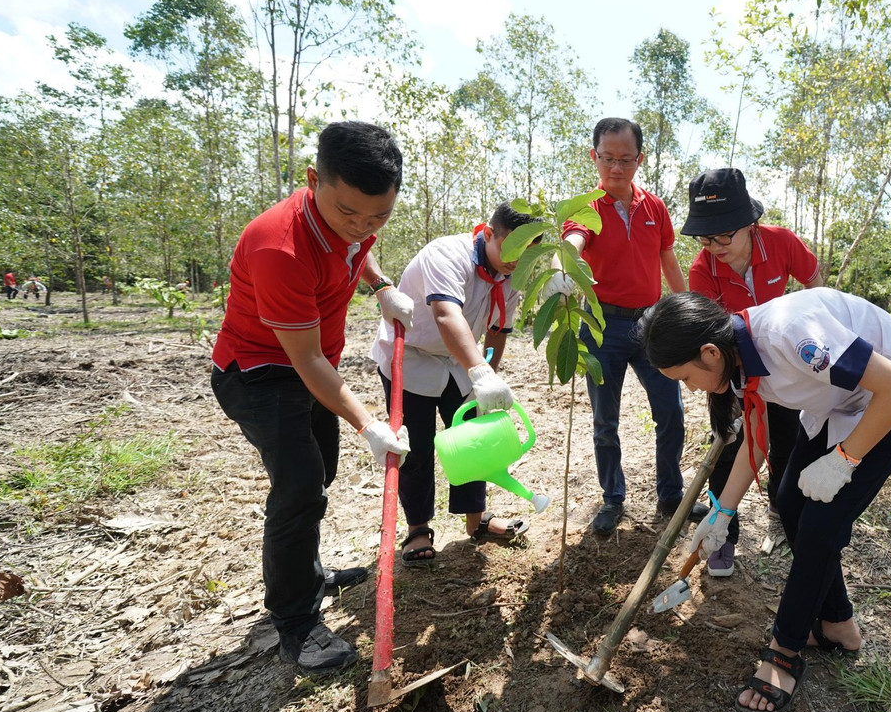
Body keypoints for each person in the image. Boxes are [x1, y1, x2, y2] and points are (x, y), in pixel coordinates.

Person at [640, 289, 891, 712]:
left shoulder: (792, 336)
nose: (690, 389)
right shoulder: (738, 358)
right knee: (789, 500)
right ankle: (838, 624)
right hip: (841, 401)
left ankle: (784, 649)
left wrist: (844, 460)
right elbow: (755, 436)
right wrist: (722, 513)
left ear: (709, 353)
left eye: (685, 379)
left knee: (822, 525)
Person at [211, 121, 413, 673]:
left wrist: (382, 286)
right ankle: (295, 623)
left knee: (320, 472)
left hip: (309, 369)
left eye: (378, 217)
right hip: (258, 373)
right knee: (299, 488)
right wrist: (369, 422)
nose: (362, 226)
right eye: (349, 213)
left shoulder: (355, 221)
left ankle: (311, 572)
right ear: (312, 180)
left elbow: (359, 247)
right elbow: (306, 361)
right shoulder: (279, 246)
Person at [546, 117, 706, 535]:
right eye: (608, 158)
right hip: (603, 327)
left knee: (670, 412)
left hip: (653, 323)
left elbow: (668, 258)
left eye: (626, 159)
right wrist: (561, 266)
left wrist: (687, 308)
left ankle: (671, 494)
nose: (616, 168)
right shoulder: (585, 209)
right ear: (593, 156)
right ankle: (613, 498)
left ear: (640, 159)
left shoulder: (654, 206)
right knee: (606, 421)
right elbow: (573, 242)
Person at [370, 203, 538, 566]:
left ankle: (476, 521)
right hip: (411, 356)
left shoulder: (511, 275)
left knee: (475, 439)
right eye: (512, 247)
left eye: (528, 251)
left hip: (461, 360)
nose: (517, 260)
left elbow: (497, 330)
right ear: (489, 234)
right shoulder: (446, 254)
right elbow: (446, 315)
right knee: (414, 446)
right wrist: (480, 372)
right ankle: (417, 528)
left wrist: (489, 370)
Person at [681, 168, 824, 577]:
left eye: (723, 235)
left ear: (750, 224)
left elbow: (816, 287)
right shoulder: (701, 271)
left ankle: (781, 510)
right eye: (706, 238)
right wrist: (737, 390)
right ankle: (723, 535)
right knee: (729, 446)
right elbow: (713, 343)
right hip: (730, 368)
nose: (715, 246)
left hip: (785, 367)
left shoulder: (781, 243)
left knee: (785, 440)